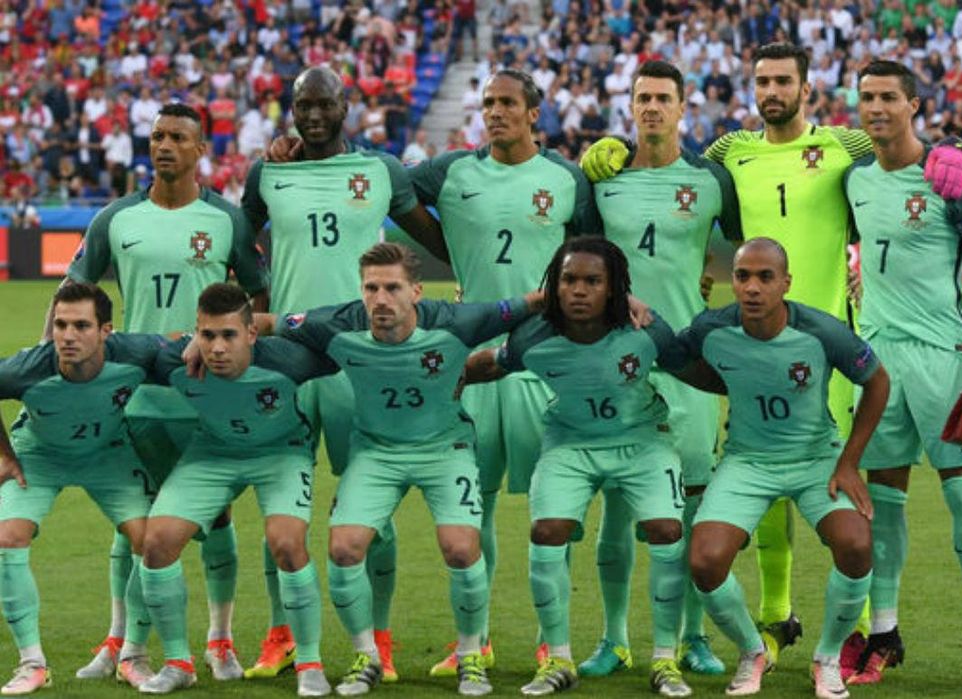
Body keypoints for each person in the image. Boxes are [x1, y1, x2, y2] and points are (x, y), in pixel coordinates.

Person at [581, 42, 962, 666]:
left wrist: (954, 148)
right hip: (756, 349)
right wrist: (608, 152)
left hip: (836, 351)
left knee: (842, 486)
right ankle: (775, 616)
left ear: (805, 87)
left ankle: (865, 624)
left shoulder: (846, 146)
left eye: (783, 80)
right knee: (763, 481)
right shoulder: (728, 154)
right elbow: (671, 170)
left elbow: (904, 144)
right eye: (761, 80)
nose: (771, 89)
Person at [242, 65, 443, 682]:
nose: (313, 114)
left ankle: (377, 637)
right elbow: (234, 240)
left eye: (324, 103)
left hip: (364, 361)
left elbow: (434, 237)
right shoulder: (268, 171)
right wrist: (256, 304)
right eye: (303, 104)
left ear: (347, 104)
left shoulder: (381, 171)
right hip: (290, 364)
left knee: (370, 508)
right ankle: (280, 632)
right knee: (282, 508)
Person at [271, 243, 542, 696]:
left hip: (446, 448)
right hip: (376, 452)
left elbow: (532, 304)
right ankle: (367, 657)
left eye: (392, 287)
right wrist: (201, 341)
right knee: (343, 549)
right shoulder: (336, 323)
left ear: (415, 291)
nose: (380, 299)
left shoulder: (458, 322)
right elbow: (265, 324)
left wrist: (622, 302)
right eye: (371, 288)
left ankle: (471, 656)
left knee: (459, 548)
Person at [64, 103, 269, 687]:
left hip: (210, 398)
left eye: (178, 137)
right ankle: (118, 640)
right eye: (157, 136)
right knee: (134, 521)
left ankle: (220, 639)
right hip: (138, 399)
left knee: (219, 514)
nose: (164, 145)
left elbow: (259, 303)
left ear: (200, 149)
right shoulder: (115, 218)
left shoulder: (227, 220)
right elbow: (74, 297)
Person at [406, 69, 603, 675]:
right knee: (474, 506)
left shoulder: (566, 179)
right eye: (487, 103)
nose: (495, 112)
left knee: (553, 513)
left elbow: (592, 259)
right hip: (470, 364)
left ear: (533, 114)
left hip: (546, 364)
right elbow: (392, 192)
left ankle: (553, 641)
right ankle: (477, 639)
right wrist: (454, 249)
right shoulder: (451, 172)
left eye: (507, 103)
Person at [463, 237, 697, 698]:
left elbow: (691, 365)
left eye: (593, 281)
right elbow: (491, 365)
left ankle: (666, 660)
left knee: (667, 529)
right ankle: (559, 658)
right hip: (570, 442)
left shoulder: (644, 328)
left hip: (642, 441)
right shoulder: (535, 335)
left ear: (614, 289)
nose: (578, 290)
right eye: (569, 279)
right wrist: (438, 378)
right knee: (547, 530)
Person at [844, 60, 962, 691]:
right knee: (882, 499)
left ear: (914, 105)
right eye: (867, 97)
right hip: (878, 357)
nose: (877, 107)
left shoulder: (950, 177)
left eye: (889, 96)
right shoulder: (854, 178)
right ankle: (885, 634)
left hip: (942, 354)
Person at [582, 59, 741, 678]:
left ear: (683, 107)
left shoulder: (709, 181)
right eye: (642, 97)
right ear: (632, 106)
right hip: (616, 366)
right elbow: (582, 261)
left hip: (689, 366)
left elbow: (754, 244)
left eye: (662, 99)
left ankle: (693, 637)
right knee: (619, 504)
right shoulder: (605, 182)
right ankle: (614, 637)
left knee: (695, 508)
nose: (651, 107)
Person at [680, 238, 889, 698]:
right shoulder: (711, 328)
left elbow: (876, 380)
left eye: (765, 277)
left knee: (856, 546)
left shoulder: (821, 331)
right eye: (742, 276)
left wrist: (849, 462)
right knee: (705, 561)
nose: (752, 287)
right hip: (746, 462)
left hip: (816, 458)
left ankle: (827, 657)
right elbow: (676, 358)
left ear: (786, 283)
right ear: (730, 280)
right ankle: (753, 652)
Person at [137, 283, 337, 696]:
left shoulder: (290, 359)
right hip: (212, 452)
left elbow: (347, 345)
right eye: (207, 335)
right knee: (156, 542)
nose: (217, 348)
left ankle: (309, 663)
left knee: (286, 543)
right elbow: (118, 348)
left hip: (281, 453)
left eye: (229, 335)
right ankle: (178, 663)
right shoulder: (173, 360)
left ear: (251, 334)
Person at [0, 283, 167, 696]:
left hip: (108, 453)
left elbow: (181, 349)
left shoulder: (135, 352)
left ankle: (134, 656)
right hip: (40, 455)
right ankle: (32, 664)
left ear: (106, 329)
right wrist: (4, 455)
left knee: (153, 542)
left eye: (80, 325)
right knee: (7, 537)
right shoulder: (27, 368)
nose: (67, 336)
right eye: (60, 325)